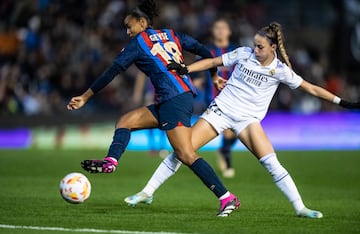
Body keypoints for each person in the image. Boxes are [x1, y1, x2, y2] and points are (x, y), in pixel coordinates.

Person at [124, 22, 360, 218]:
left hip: (247, 120)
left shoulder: (280, 71)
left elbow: (312, 89)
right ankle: (147, 192)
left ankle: (300, 208)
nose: (255, 50)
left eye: (260, 47)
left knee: (271, 163)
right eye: (254, 45)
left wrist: (342, 102)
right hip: (220, 112)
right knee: (183, 150)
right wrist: (186, 69)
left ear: (273, 47)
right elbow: (213, 62)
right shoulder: (243, 53)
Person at [66, 0, 239, 217]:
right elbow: (204, 51)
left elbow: (112, 71)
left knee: (185, 154)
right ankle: (111, 161)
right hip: (177, 97)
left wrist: (85, 96)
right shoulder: (172, 34)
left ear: (142, 22)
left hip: (172, 99)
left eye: (129, 26)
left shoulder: (138, 43)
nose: (128, 31)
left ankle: (227, 197)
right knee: (125, 121)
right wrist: (214, 76)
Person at [206, 18, 238, 178]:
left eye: (223, 27)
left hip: (236, 97)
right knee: (226, 130)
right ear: (213, 31)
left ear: (229, 31)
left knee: (237, 132)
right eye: (217, 27)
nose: (219, 30)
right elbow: (202, 69)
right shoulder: (207, 51)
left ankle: (223, 150)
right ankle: (228, 165)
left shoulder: (235, 51)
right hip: (214, 97)